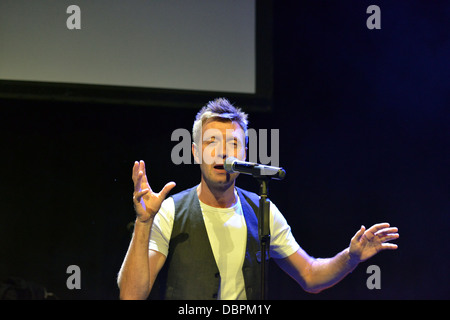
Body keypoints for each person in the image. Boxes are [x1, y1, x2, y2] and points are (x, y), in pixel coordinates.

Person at [117, 98, 399, 300]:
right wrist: (144, 222)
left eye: (233, 144)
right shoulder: (171, 211)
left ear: (245, 153)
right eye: (211, 142)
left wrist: (350, 258)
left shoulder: (262, 210)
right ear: (194, 152)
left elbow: (311, 276)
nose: (222, 153)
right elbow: (131, 295)